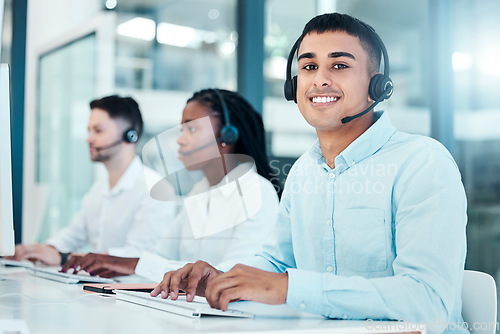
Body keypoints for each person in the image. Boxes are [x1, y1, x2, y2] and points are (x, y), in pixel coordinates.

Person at [152, 13, 467, 333]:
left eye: (340, 66)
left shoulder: (422, 163)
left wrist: (290, 288)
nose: (320, 80)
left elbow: (428, 302)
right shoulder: (304, 171)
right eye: (309, 67)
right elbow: (276, 262)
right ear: (294, 86)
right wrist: (225, 279)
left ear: (377, 86)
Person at [59, 89, 280, 280]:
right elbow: (159, 254)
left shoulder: (257, 193)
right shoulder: (199, 192)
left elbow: (232, 276)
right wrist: (112, 261)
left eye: (191, 129)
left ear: (227, 136)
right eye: (182, 129)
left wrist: (133, 265)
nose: (180, 139)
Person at [10, 95, 175, 268]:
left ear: (130, 135)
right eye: (89, 130)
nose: (88, 138)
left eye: (98, 130)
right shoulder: (99, 189)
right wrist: (42, 250)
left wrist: (63, 257)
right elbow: (74, 234)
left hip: (131, 290)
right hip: (99, 287)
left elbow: (138, 257)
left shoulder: (154, 189)